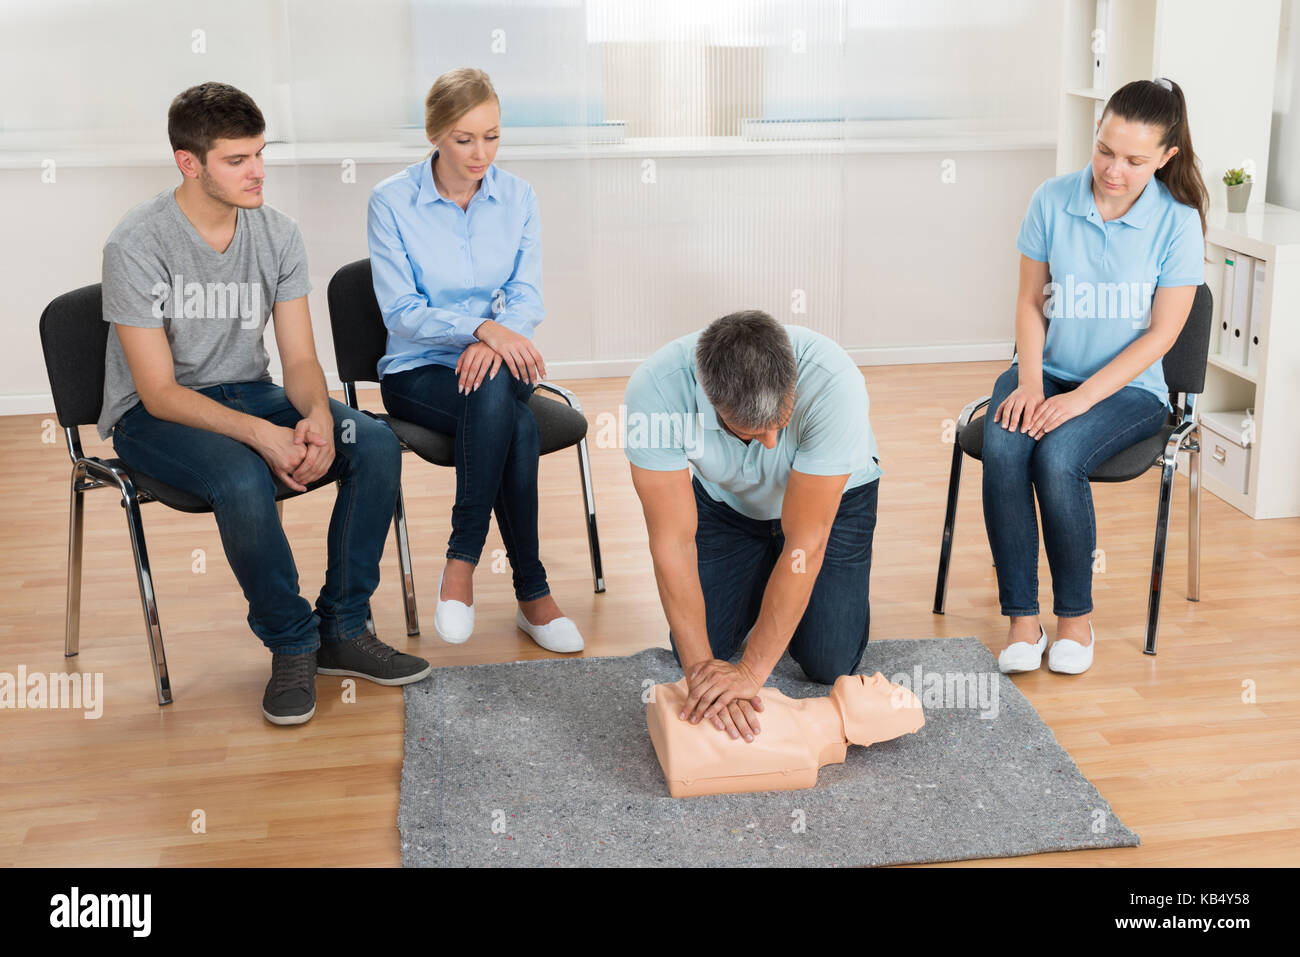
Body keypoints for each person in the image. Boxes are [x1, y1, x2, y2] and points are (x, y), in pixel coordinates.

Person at [100, 82, 431, 727]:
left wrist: (316, 414)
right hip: (154, 417)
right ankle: (292, 641)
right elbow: (159, 392)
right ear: (188, 163)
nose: (256, 172)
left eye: (259, 154)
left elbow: (300, 361)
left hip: (252, 392)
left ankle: (343, 626)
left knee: (376, 441)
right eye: (236, 160)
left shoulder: (276, 233)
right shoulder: (137, 244)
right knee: (240, 475)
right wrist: (261, 435)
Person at [983, 78, 1207, 676]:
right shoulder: (1051, 200)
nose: (1113, 169)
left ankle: (1075, 620)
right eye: (1105, 149)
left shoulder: (1179, 224)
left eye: (1135, 160)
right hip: (1046, 371)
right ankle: (1022, 621)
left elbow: (1162, 335)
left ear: (1166, 157)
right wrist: (1031, 383)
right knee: (1005, 445)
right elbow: (1031, 303)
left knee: (1058, 456)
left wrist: (1082, 399)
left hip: (1130, 390)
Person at [370, 68, 583, 653]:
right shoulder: (392, 202)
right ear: (435, 134)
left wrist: (496, 338)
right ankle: (530, 592)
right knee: (509, 416)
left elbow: (527, 294)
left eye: (491, 136)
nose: (480, 153)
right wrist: (479, 329)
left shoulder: (518, 197)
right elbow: (401, 311)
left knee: (494, 392)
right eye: (464, 139)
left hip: (498, 366)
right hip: (418, 371)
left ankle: (460, 563)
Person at [624, 310, 882, 745]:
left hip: (830, 506)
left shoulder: (835, 381)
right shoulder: (656, 392)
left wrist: (750, 673)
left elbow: (806, 542)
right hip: (730, 508)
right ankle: (765, 573)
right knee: (704, 644)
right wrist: (703, 678)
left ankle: (791, 586)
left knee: (828, 661)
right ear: (712, 401)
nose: (769, 446)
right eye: (750, 434)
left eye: (779, 426)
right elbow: (672, 544)